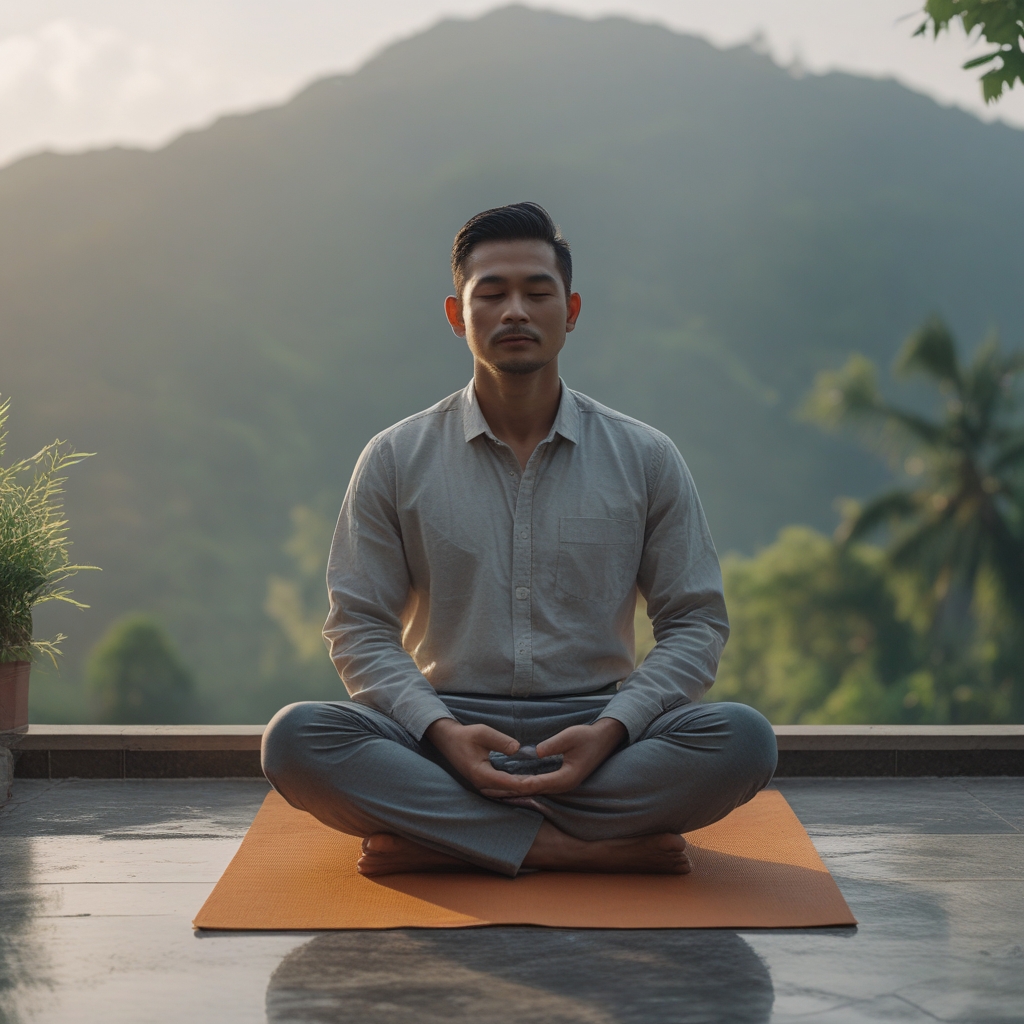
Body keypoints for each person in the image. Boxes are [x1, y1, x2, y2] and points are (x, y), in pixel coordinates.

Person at [261, 202, 777, 878]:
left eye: (537, 292)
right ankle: (575, 847)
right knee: (296, 740)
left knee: (742, 741)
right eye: (491, 294)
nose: (514, 312)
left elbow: (695, 623)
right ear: (456, 315)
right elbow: (358, 625)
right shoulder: (395, 457)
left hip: (600, 730)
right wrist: (440, 731)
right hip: (440, 729)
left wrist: (612, 730)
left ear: (572, 310)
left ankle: (445, 837)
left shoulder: (645, 456)